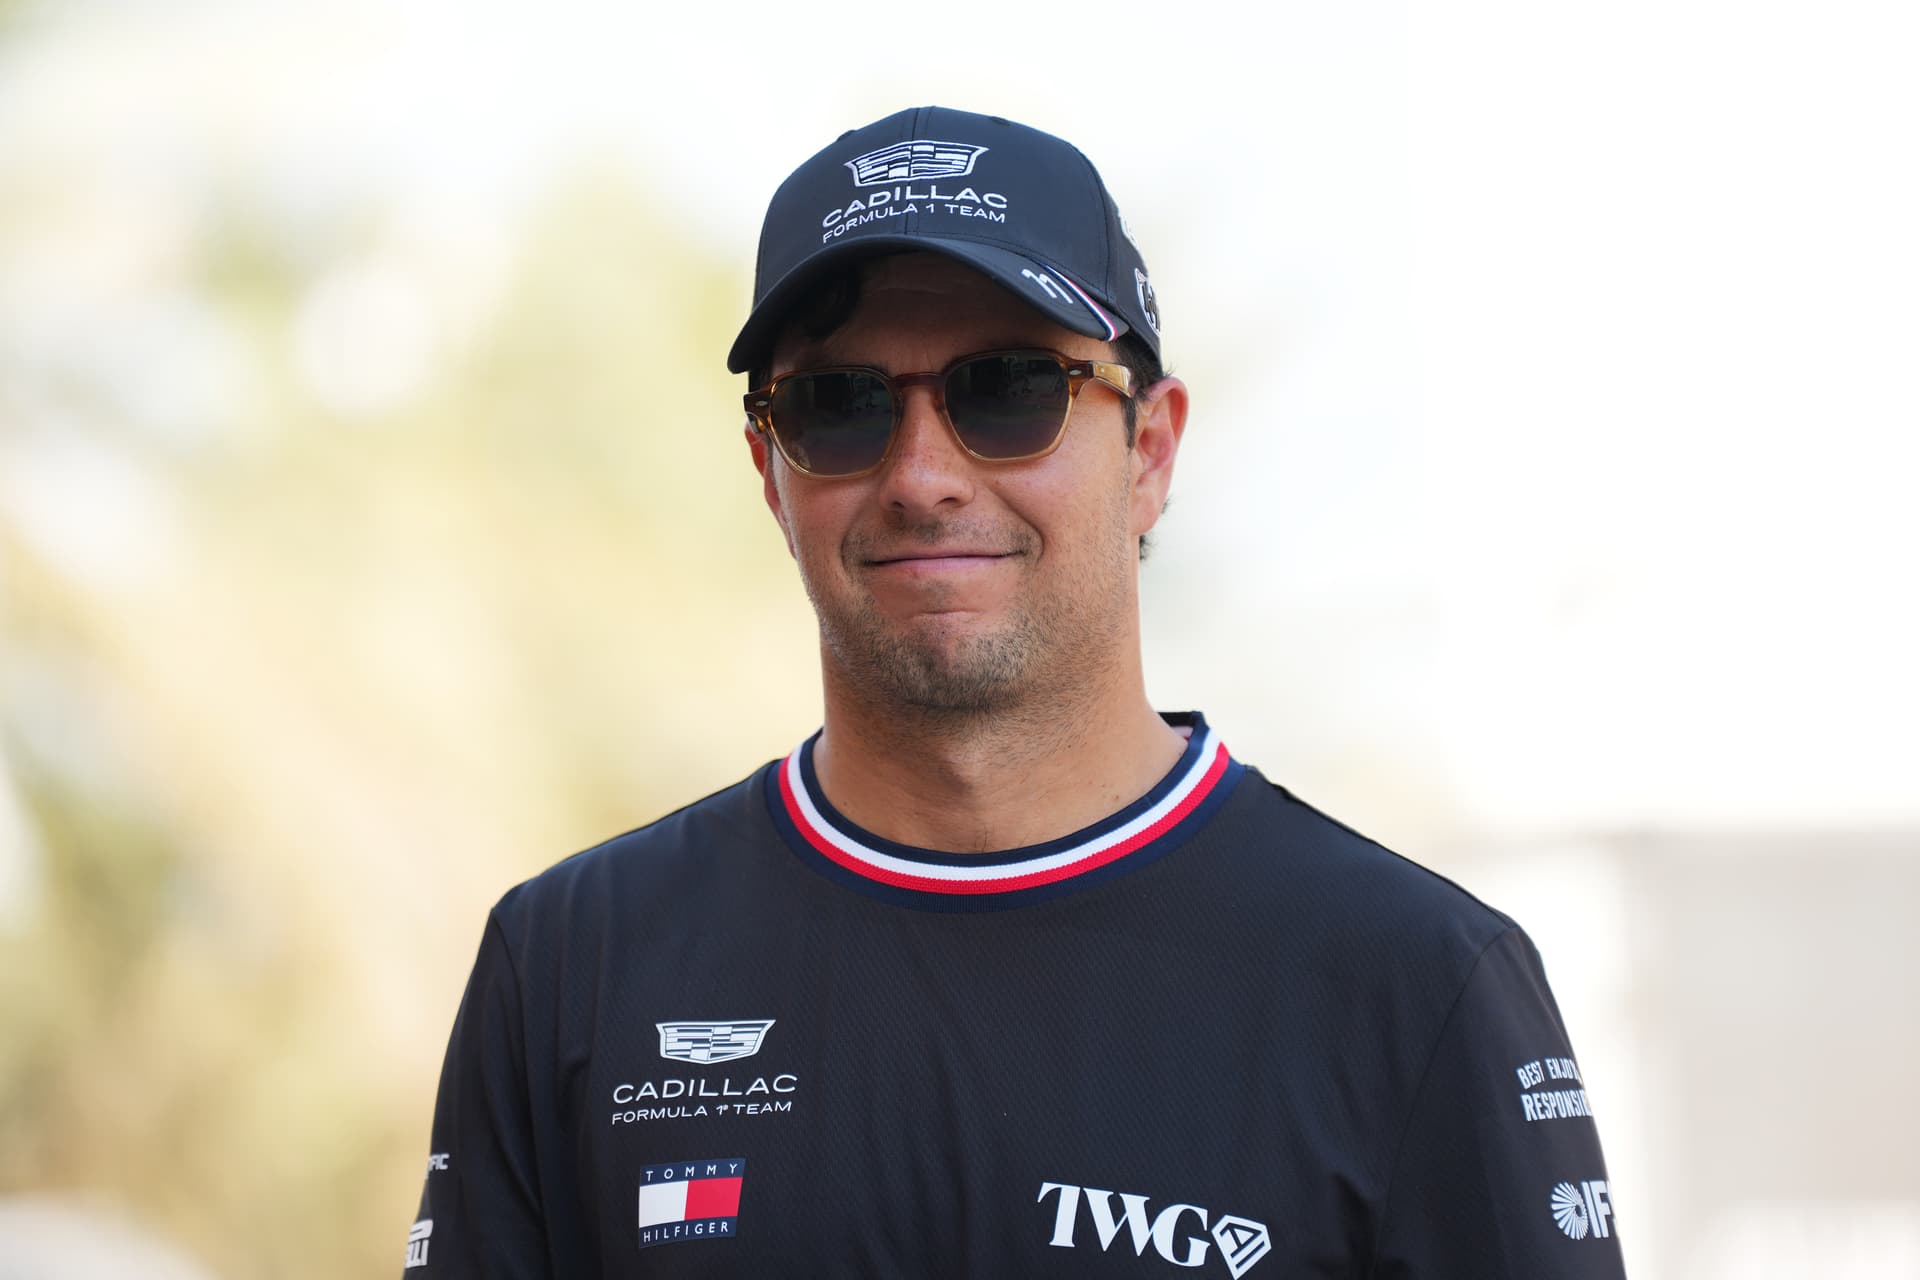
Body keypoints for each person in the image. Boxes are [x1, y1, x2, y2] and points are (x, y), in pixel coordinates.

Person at [403, 106, 1627, 1279]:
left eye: (1009, 390)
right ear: (771, 475)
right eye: (839, 405)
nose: (923, 474)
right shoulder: (572, 967)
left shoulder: (1413, 981)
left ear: (1149, 450)